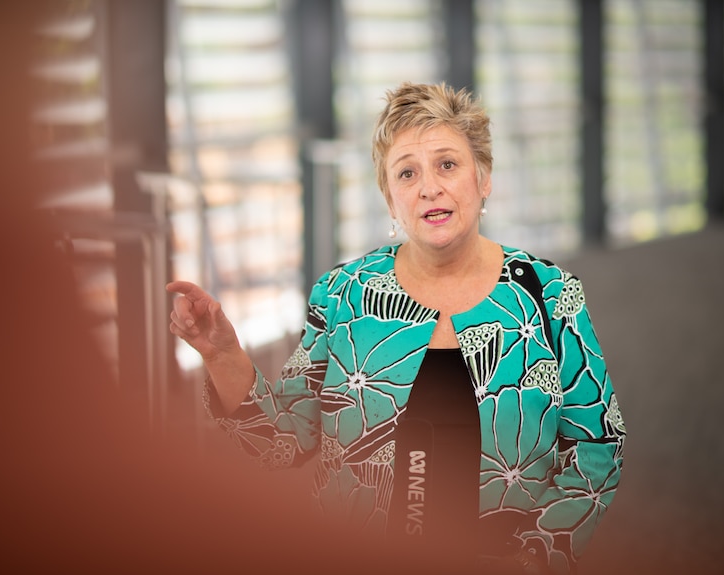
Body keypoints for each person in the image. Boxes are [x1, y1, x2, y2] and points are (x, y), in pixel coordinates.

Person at [167, 82, 625, 574]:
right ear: (390, 199)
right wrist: (222, 355)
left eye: (447, 164)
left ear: (484, 177)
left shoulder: (549, 292)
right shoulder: (342, 295)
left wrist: (537, 556)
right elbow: (282, 442)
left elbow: (598, 447)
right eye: (407, 173)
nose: (429, 187)